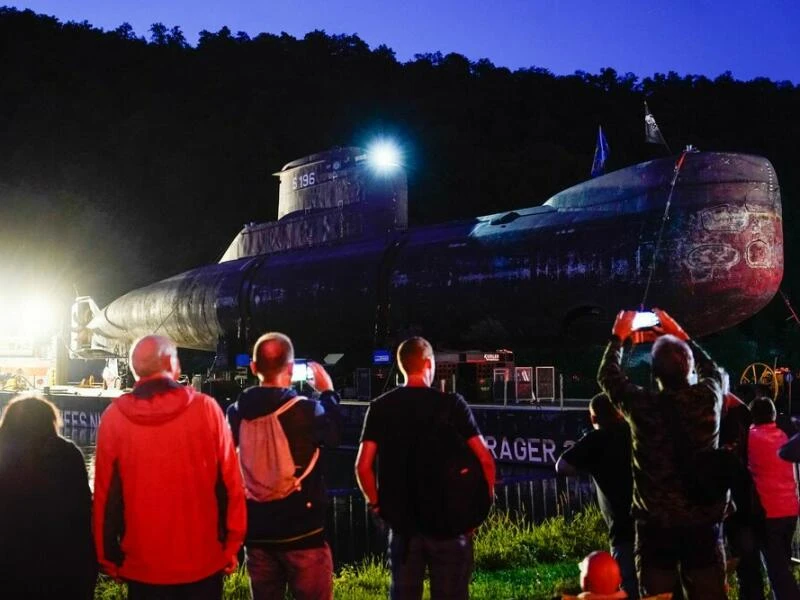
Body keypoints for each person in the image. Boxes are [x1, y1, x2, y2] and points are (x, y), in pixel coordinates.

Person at [93, 335, 246, 599]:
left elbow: (106, 497)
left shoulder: (114, 418)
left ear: (134, 369)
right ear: (173, 366)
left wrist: (108, 556)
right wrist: (232, 544)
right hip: (203, 563)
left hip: (144, 569)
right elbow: (230, 484)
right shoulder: (207, 410)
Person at [597, 309, 726, 599]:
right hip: (702, 526)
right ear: (690, 369)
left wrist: (619, 335)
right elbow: (713, 371)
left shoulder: (643, 408)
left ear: (653, 374)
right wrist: (682, 336)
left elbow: (607, 376)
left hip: (656, 529)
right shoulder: (709, 398)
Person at [355, 336, 496, 600]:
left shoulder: (380, 407)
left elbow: (362, 467)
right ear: (429, 363)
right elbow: (485, 460)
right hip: (450, 524)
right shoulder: (452, 405)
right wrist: (478, 510)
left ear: (401, 367)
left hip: (404, 529)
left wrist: (377, 505)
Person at [226, 332, 342, 600]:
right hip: (304, 533)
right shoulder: (306, 410)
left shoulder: (235, 413)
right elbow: (335, 435)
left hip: (257, 534)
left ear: (254, 368)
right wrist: (328, 392)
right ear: (291, 369)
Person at [0, 395, 96, 598]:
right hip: (59, 568)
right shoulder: (68, 455)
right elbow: (83, 512)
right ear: (50, 422)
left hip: (8, 567)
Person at [556, 393, 637, 599]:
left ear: (593, 419)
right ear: (619, 411)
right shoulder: (634, 431)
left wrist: (590, 465)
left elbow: (562, 466)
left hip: (622, 528)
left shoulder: (597, 439)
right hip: (652, 522)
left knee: (627, 586)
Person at [747, 397, 800, 600]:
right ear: (774, 415)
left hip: (768, 513)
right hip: (791, 510)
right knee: (783, 566)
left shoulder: (751, 437)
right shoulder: (784, 436)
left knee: (778, 573)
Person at [718, 370, 765, 600]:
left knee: (737, 562)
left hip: (732, 505)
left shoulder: (720, 423)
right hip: (746, 502)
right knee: (749, 566)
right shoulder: (745, 421)